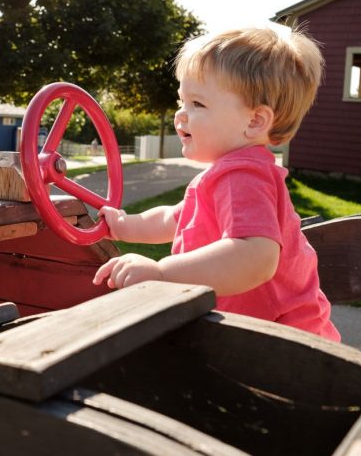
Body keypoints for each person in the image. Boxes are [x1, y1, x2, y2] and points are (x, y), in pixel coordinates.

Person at [92, 26, 340, 341]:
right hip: (259, 337)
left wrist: (162, 273)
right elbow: (175, 217)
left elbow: (256, 257)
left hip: (283, 346)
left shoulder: (243, 176)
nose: (180, 115)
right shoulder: (230, 172)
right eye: (182, 101)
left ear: (255, 121)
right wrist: (126, 225)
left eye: (198, 104)